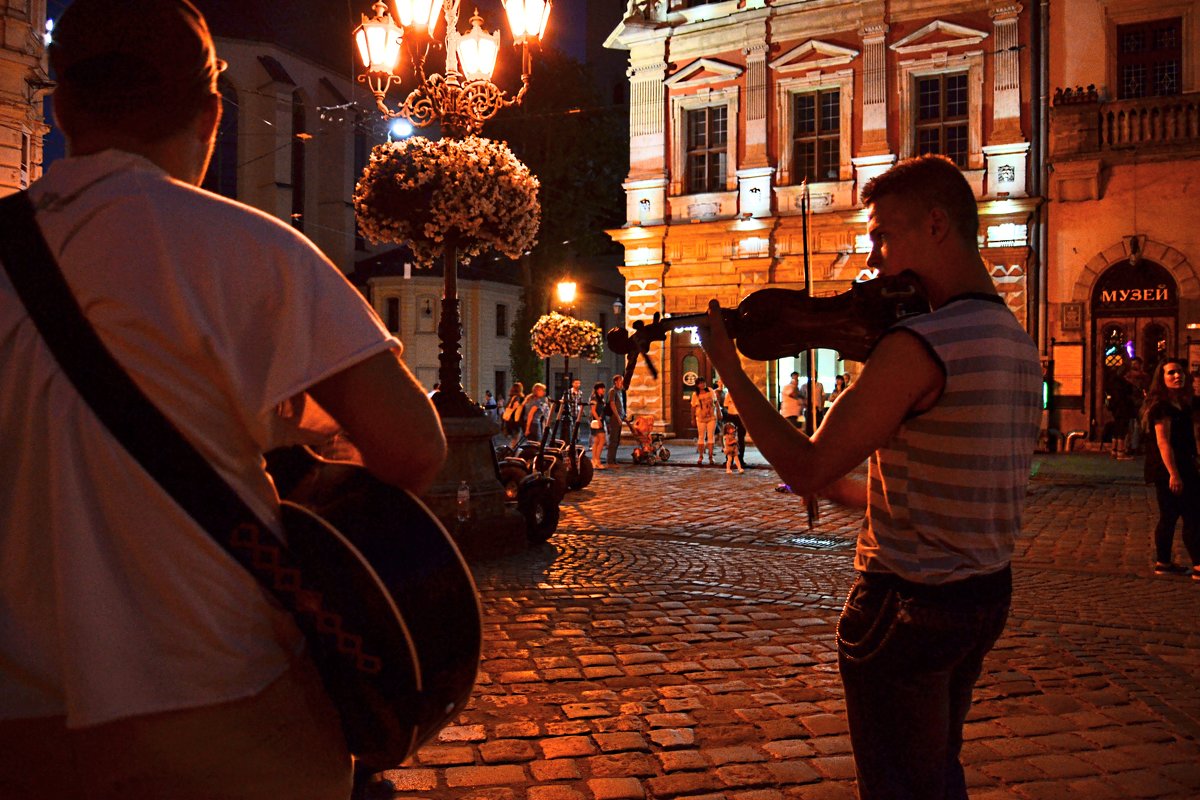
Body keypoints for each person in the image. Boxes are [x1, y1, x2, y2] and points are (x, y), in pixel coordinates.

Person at [0, 2, 447, 798]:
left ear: (61, 105)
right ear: (212, 114)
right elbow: (413, 446)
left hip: (18, 724)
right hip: (219, 699)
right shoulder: (253, 248)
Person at [698, 154, 1041, 800]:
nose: (873, 255)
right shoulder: (1014, 341)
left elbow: (804, 467)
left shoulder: (918, 346)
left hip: (906, 612)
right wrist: (857, 495)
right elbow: (959, 488)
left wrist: (730, 370)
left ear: (937, 225)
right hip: (981, 600)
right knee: (937, 775)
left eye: (883, 234)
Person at [1141, 358, 1200, 580]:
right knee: (1190, 514)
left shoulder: (1185, 404)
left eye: (1180, 372)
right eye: (1172, 373)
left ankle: (1163, 562)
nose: (1178, 376)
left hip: (1185, 463)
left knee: (1173, 515)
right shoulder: (1161, 406)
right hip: (1168, 467)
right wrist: (1173, 474)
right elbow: (1163, 441)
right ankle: (1197, 565)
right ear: (1162, 378)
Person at [1124, 357, 1149, 455]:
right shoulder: (1128, 377)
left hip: (1138, 403)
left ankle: (1133, 446)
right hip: (1131, 403)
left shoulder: (1143, 377)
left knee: (1137, 425)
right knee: (1132, 425)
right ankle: (1131, 446)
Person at [691, 377, 718, 465]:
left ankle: (711, 457)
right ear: (697, 385)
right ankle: (701, 456)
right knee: (701, 436)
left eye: (703, 382)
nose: (702, 384)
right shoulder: (695, 394)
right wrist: (692, 418)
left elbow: (716, 402)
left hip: (711, 416)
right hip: (700, 417)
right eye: (700, 383)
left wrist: (719, 412)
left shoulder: (710, 390)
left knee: (711, 436)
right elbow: (693, 407)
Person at [607, 374, 627, 465]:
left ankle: (613, 459)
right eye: (620, 381)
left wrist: (624, 416)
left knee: (617, 439)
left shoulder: (620, 391)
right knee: (613, 439)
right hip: (615, 418)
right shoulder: (613, 391)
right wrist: (618, 417)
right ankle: (610, 460)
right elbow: (612, 404)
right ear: (616, 382)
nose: (622, 382)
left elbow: (621, 405)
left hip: (620, 417)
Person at [723, 391, 746, 463]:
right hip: (731, 415)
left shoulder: (744, 394)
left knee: (741, 438)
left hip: (741, 416)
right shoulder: (729, 393)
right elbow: (726, 405)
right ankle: (729, 459)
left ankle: (740, 458)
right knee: (729, 437)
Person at [589, 381, 608, 469]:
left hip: (600, 420)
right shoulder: (594, 398)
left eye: (603, 388)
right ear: (597, 389)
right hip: (596, 421)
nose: (603, 389)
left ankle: (594, 460)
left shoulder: (601, 398)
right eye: (601, 388)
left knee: (596, 441)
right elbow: (593, 410)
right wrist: (598, 419)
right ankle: (597, 459)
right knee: (602, 439)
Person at [502, 382, 525, 447]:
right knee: (515, 441)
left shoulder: (511, 398)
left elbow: (507, 408)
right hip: (515, 422)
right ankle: (511, 455)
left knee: (513, 440)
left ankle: (510, 453)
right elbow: (517, 411)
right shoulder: (517, 398)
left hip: (509, 422)